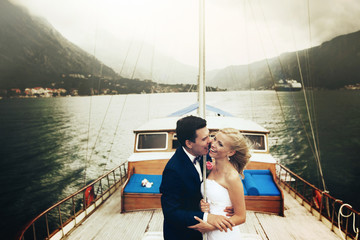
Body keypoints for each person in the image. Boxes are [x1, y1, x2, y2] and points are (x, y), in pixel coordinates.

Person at [160, 116, 235, 240]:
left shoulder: (207, 155)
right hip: (183, 235)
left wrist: (224, 206)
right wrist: (208, 217)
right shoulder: (173, 170)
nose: (210, 141)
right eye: (204, 138)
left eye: (209, 135)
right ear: (189, 143)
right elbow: (171, 213)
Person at [190, 128, 251, 240]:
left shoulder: (232, 177)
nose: (213, 144)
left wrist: (210, 227)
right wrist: (201, 205)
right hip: (209, 229)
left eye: (220, 144)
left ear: (231, 152)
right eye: (215, 139)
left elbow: (241, 217)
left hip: (224, 233)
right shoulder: (209, 167)